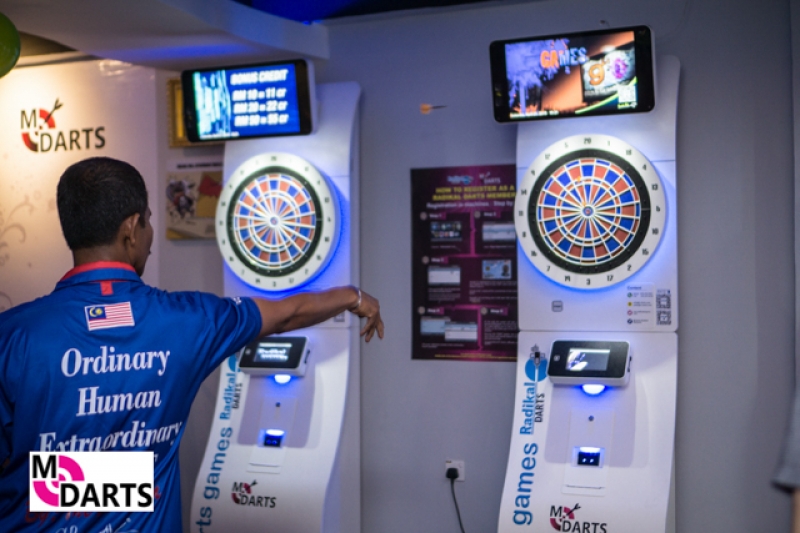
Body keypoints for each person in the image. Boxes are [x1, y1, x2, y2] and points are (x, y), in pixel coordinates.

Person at [0, 157, 383, 532]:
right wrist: (353, 297)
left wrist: (68, 479)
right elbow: (286, 314)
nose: (151, 236)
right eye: (149, 220)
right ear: (131, 228)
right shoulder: (187, 321)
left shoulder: (12, 335)